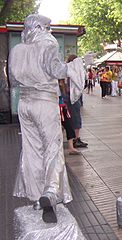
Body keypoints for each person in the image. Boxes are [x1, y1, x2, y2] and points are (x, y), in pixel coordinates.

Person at [8, 14, 84, 223]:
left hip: (24, 104)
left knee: (32, 150)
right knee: (52, 148)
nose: (50, 31)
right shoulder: (47, 44)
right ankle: (50, 192)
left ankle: (35, 195)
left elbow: (13, 80)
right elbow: (56, 70)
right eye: (48, 27)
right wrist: (78, 64)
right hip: (44, 103)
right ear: (40, 27)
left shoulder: (17, 50)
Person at [64, 55, 88, 149]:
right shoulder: (73, 71)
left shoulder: (66, 70)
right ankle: (76, 139)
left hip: (67, 98)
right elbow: (79, 84)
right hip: (73, 98)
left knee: (71, 118)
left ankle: (73, 139)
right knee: (76, 118)